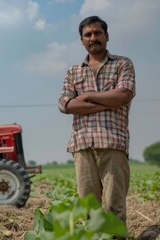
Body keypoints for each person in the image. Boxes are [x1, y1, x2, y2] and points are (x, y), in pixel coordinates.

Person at [58, 16, 136, 226]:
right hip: (82, 145)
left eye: (97, 33)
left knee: (114, 206)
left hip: (112, 143)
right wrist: (107, 101)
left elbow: (124, 95)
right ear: (82, 40)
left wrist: (86, 96)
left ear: (107, 36)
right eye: (88, 34)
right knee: (88, 208)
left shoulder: (122, 64)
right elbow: (66, 105)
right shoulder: (73, 72)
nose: (93, 37)